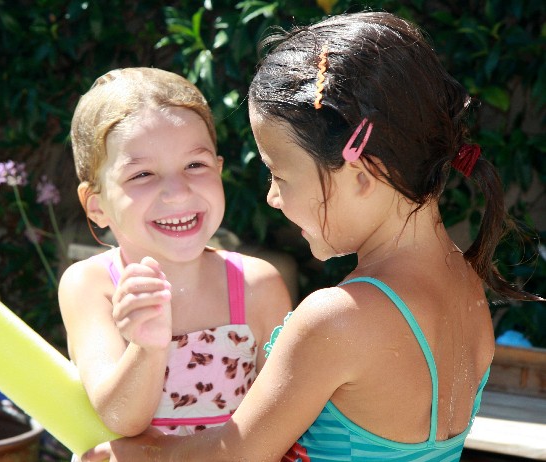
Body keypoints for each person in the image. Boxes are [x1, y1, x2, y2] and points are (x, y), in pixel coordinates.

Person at [81, 12, 543, 462]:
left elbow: (237, 453)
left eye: (279, 174)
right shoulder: (465, 281)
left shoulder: (337, 319)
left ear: (361, 173)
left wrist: (134, 453)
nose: (272, 198)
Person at [58, 67, 292, 440]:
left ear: (218, 170)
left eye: (194, 165)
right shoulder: (92, 286)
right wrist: (146, 348)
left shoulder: (257, 286)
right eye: (142, 175)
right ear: (96, 205)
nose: (178, 192)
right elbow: (120, 417)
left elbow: (283, 424)